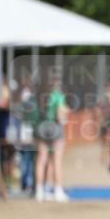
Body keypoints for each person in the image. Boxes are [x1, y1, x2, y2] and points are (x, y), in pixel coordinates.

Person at [34, 74, 69, 202]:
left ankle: (39, 191)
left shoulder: (39, 96)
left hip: (41, 128)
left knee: (41, 159)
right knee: (56, 160)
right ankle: (58, 191)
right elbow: (60, 116)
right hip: (55, 128)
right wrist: (65, 116)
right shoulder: (58, 96)